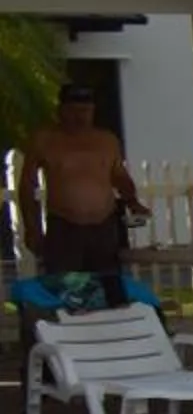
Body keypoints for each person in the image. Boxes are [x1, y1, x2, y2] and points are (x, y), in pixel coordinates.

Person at [13, 84, 145, 309]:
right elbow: (27, 187)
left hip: (104, 227)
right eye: (74, 111)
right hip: (64, 227)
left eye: (86, 111)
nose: (80, 117)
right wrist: (32, 228)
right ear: (61, 111)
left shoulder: (107, 140)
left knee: (109, 290)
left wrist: (133, 202)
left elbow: (119, 176)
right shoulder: (45, 140)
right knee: (64, 291)